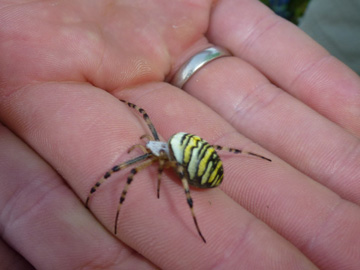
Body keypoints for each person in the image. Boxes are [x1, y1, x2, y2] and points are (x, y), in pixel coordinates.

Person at [1, 0, 359, 269]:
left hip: (193, 159)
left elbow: (141, 139)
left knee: (130, 177)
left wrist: (162, 180)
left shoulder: (156, 158)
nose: (146, 144)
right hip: (188, 150)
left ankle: (197, 222)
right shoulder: (156, 143)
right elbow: (141, 113)